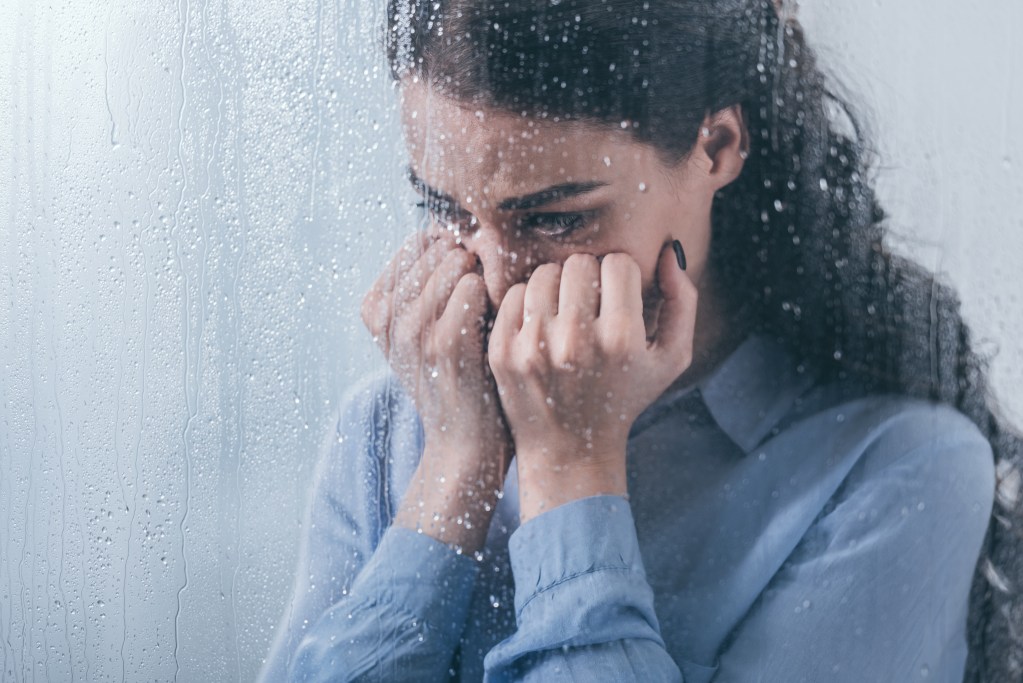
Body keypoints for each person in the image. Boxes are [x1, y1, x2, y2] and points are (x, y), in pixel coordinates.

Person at [259, 1, 1023, 681]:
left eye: (555, 219)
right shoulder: (390, 428)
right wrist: (454, 465)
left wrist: (572, 468)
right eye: (443, 208)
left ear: (717, 146)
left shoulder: (899, 467)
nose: (491, 278)